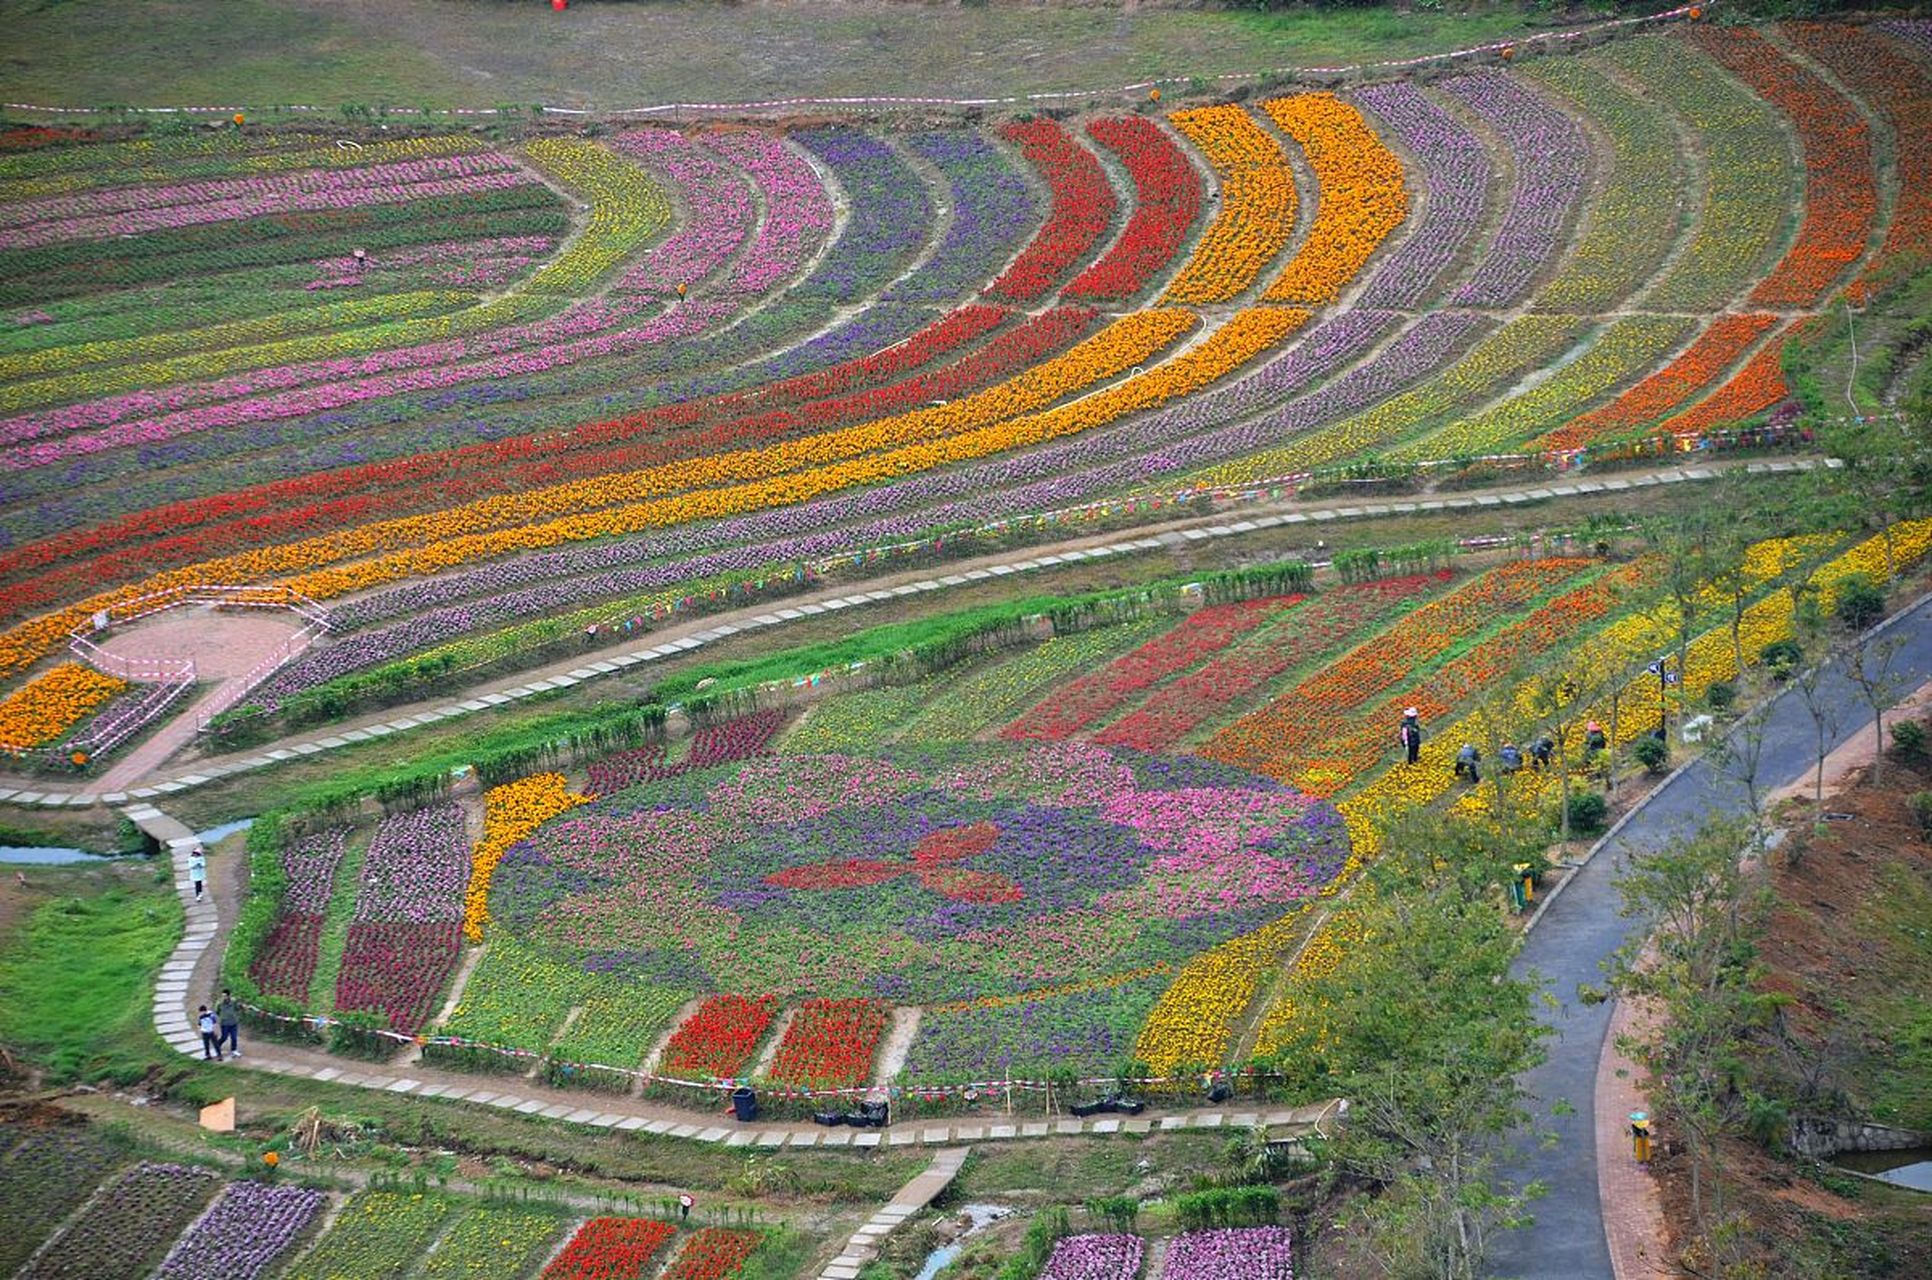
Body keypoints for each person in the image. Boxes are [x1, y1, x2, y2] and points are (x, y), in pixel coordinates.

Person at [216, 988, 241, 1059]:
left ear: (229, 996)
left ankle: (234, 1050)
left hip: (233, 1023)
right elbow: (217, 1011)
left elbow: (237, 1008)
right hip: (224, 1023)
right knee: (224, 1037)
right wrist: (223, 1017)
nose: (224, 997)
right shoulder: (219, 1003)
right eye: (222, 996)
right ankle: (217, 1045)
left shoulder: (234, 1002)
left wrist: (240, 1005)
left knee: (234, 1038)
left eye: (225, 996)